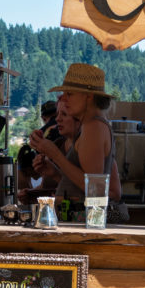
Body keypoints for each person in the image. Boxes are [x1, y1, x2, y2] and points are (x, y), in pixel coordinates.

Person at [29, 63, 129, 222]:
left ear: (89, 96)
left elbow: (94, 189)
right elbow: (85, 184)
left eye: (69, 94)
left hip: (83, 224)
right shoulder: (92, 126)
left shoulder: (93, 127)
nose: (64, 98)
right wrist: (55, 172)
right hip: (80, 222)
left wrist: (54, 154)